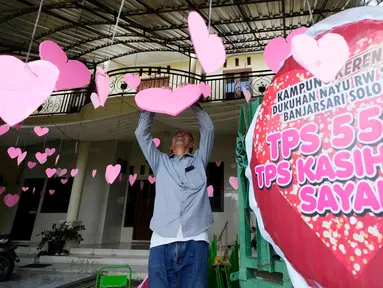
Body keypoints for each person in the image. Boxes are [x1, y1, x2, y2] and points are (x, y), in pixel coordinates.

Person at [135, 102, 215, 288]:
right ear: (171, 145)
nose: (180, 136)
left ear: (192, 144)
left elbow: (209, 129)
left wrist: (194, 104)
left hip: (195, 238)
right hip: (161, 239)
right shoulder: (160, 162)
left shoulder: (199, 161)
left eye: (185, 135)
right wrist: (152, 104)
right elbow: (141, 134)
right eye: (176, 135)